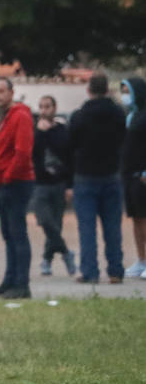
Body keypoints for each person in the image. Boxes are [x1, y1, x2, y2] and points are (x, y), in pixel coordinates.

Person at [65, 73, 127, 284]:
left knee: (87, 228)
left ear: (88, 90)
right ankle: (116, 271)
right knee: (112, 227)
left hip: (85, 176)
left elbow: (70, 145)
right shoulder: (119, 114)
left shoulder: (80, 116)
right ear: (107, 90)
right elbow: (122, 141)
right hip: (111, 174)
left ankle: (90, 272)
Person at [0, 77, 36, 298]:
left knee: (17, 233)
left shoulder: (20, 115)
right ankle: (10, 280)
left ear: (11, 93)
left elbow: (23, 153)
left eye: (1, 91)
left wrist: (5, 177)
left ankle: (21, 285)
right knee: (9, 234)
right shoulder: (3, 118)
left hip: (16, 183)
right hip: (3, 183)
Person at [31, 95, 76, 277]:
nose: (44, 110)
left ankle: (47, 260)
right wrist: (41, 133)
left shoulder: (63, 130)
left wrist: (70, 185)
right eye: (41, 107)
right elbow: (33, 154)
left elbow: (70, 157)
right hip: (40, 184)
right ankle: (66, 253)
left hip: (59, 183)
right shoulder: (35, 131)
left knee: (56, 223)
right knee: (45, 220)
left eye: (47, 106)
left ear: (54, 108)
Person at [121, 77, 146, 278]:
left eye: (126, 91)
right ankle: (141, 259)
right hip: (129, 176)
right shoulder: (131, 116)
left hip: (142, 176)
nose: (124, 96)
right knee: (136, 220)